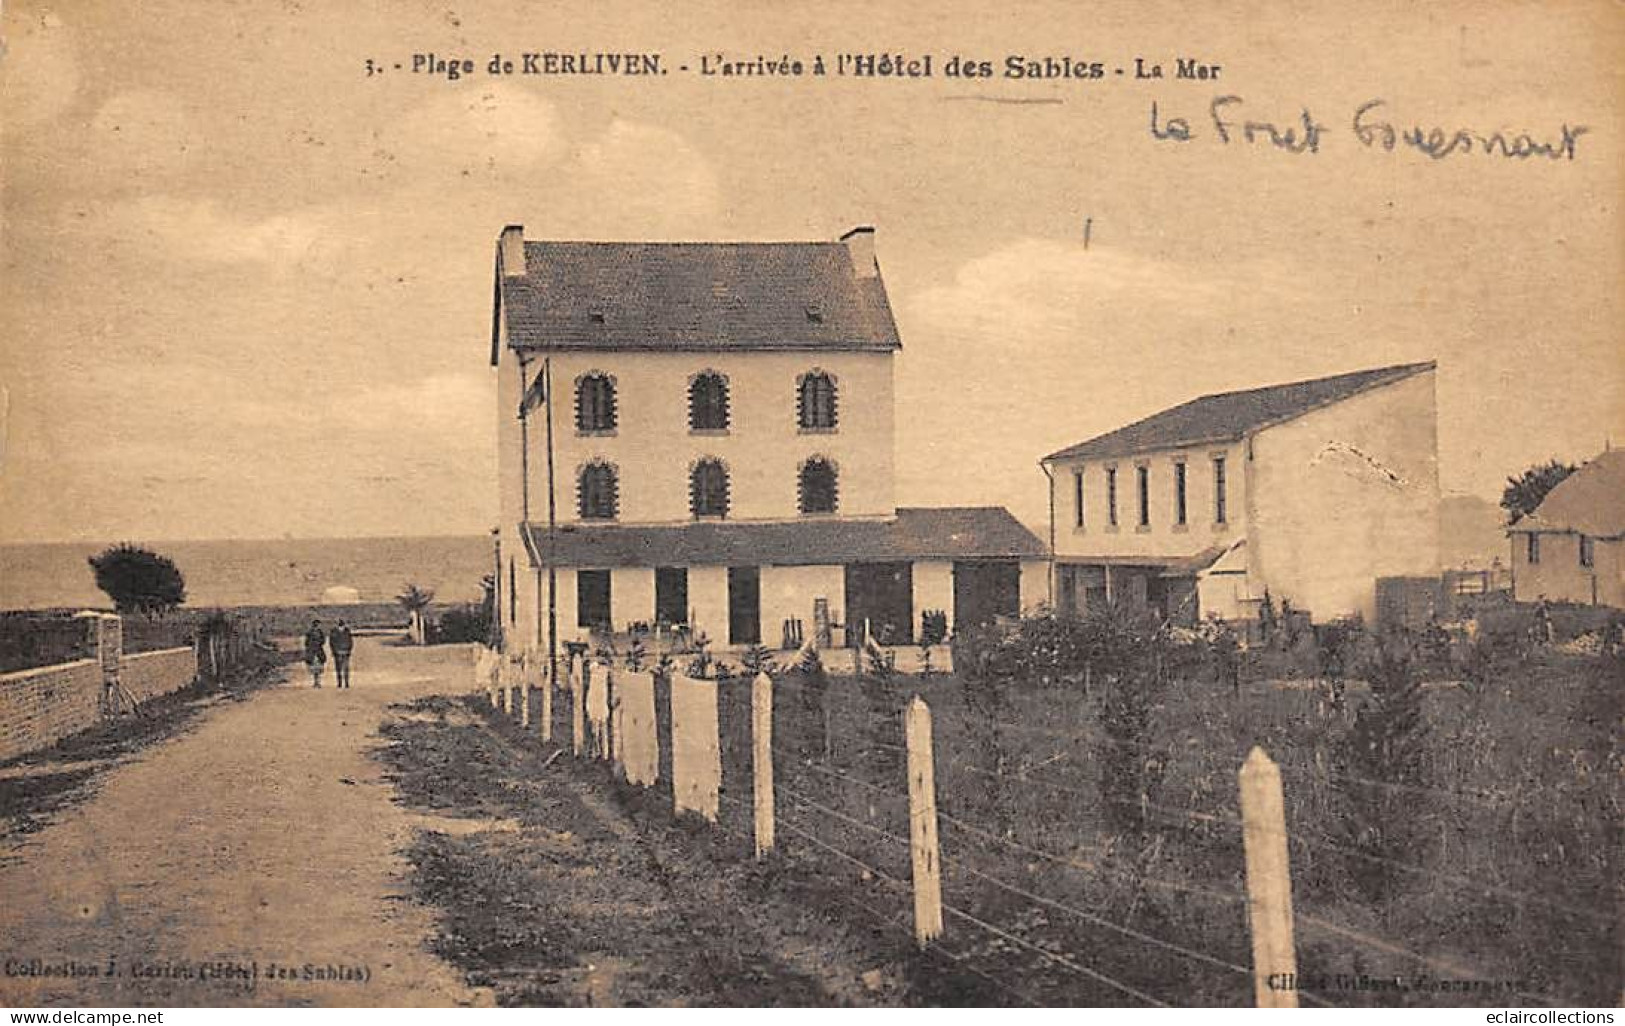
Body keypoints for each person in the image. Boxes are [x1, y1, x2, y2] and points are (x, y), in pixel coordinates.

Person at [329, 619, 354, 689]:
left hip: (341, 652)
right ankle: (344, 683)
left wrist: (333, 651)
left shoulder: (335, 631)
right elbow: (350, 642)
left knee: (340, 668)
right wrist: (349, 650)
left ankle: (342, 683)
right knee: (343, 668)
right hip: (342, 652)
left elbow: (331, 643)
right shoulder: (346, 631)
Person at [303, 619, 327, 688]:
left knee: (318, 668)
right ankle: (316, 682)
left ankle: (317, 682)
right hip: (313, 652)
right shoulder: (310, 632)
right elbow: (306, 643)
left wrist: (318, 643)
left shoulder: (320, 632)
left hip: (318, 651)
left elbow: (323, 641)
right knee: (314, 668)